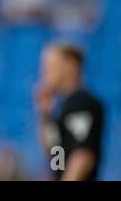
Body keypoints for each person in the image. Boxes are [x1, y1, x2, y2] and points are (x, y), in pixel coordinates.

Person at [35, 43, 104, 181]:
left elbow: (83, 156)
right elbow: (55, 153)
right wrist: (44, 115)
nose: (44, 71)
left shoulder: (82, 103)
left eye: (51, 65)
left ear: (71, 66)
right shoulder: (64, 106)